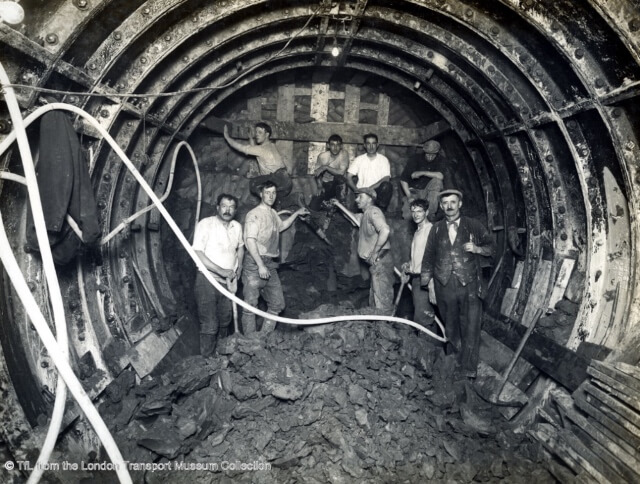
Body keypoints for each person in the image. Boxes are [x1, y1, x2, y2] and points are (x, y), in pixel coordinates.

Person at [420, 188, 494, 378]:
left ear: (460, 204)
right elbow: (428, 257)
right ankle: (453, 363)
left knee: (470, 326)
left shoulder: (473, 225)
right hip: (444, 284)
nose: (449, 206)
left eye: (453, 202)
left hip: (468, 283)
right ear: (441, 206)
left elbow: (492, 247)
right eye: (445, 203)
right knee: (450, 325)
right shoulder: (436, 228)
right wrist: (428, 284)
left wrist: (477, 249)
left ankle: (468, 368)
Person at [242, 180, 309, 334]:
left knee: (277, 304)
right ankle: (249, 341)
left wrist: (297, 214)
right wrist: (260, 265)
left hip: (270, 263)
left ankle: (264, 337)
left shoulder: (272, 213)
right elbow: (249, 240)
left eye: (273, 193)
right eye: (267, 192)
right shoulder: (254, 214)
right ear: (261, 194)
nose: (271, 196)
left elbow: (281, 226)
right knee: (250, 305)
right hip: (255, 262)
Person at [192, 193, 244, 356]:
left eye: (231, 207)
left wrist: (239, 267)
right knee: (210, 324)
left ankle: (221, 356)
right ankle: (206, 361)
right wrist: (221, 270)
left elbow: (241, 247)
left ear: (235, 210)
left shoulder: (237, 227)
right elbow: (198, 252)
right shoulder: (206, 224)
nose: (227, 210)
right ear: (217, 207)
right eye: (224, 206)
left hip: (228, 282)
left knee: (225, 320)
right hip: (207, 280)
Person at [332, 188, 394, 314]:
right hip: (375, 264)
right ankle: (378, 329)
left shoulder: (373, 211)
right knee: (375, 301)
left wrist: (375, 252)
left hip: (380, 261)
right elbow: (351, 217)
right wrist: (338, 204)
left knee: (382, 304)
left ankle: (385, 329)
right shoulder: (364, 215)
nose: (356, 199)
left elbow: (385, 230)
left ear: (370, 198)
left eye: (360, 197)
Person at [224, 122, 293, 199]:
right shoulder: (271, 145)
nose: (257, 134)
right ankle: (284, 200)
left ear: (267, 135)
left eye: (260, 132)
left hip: (278, 180)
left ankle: (266, 201)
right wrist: (251, 138)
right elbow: (255, 151)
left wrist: (227, 137)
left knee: (253, 183)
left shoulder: (261, 149)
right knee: (270, 192)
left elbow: (242, 148)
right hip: (286, 181)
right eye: (256, 132)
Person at [400, 199, 436, 328]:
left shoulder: (430, 230)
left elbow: (434, 259)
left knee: (423, 319)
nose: (416, 214)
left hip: (426, 279)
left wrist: (431, 286)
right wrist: (410, 265)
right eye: (413, 211)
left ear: (426, 212)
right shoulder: (417, 231)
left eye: (419, 211)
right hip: (417, 279)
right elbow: (419, 255)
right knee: (423, 316)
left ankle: (428, 346)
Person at [400, 140, 451, 221]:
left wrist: (422, 172)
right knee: (408, 217)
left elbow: (440, 176)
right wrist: (409, 196)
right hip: (414, 191)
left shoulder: (441, 160)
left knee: (437, 182)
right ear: (424, 151)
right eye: (428, 154)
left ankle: (430, 215)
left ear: (437, 153)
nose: (430, 157)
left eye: (433, 154)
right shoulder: (415, 159)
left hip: (428, 193)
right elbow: (403, 179)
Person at [346, 133, 393, 210]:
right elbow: (348, 177)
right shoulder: (359, 159)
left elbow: (386, 178)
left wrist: (370, 189)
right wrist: (356, 190)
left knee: (387, 186)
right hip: (362, 191)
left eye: (373, 144)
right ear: (364, 145)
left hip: (377, 192)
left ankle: (380, 211)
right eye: (368, 144)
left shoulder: (383, 159)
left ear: (377, 145)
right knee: (361, 216)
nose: (371, 147)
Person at [314, 134, 349, 204]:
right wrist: (319, 186)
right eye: (332, 145)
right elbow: (317, 173)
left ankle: (342, 203)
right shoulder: (322, 156)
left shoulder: (344, 154)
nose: (335, 148)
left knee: (340, 178)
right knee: (314, 206)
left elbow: (341, 172)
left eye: (338, 145)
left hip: (340, 185)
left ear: (341, 146)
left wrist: (325, 167)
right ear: (328, 146)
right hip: (326, 184)